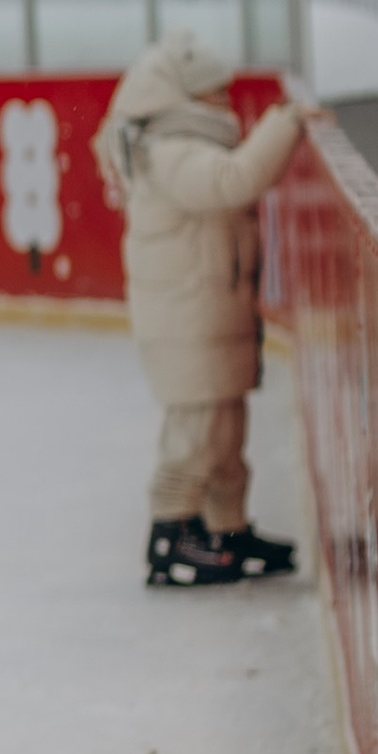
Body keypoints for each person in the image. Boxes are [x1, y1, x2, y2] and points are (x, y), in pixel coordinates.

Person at [93, 31, 306, 590]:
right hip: (189, 321)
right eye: (214, 95)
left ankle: (226, 530)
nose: (224, 106)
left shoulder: (178, 146)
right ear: (183, 98)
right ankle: (171, 534)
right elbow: (233, 181)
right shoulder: (171, 152)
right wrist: (287, 123)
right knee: (196, 434)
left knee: (225, 438)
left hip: (206, 315)